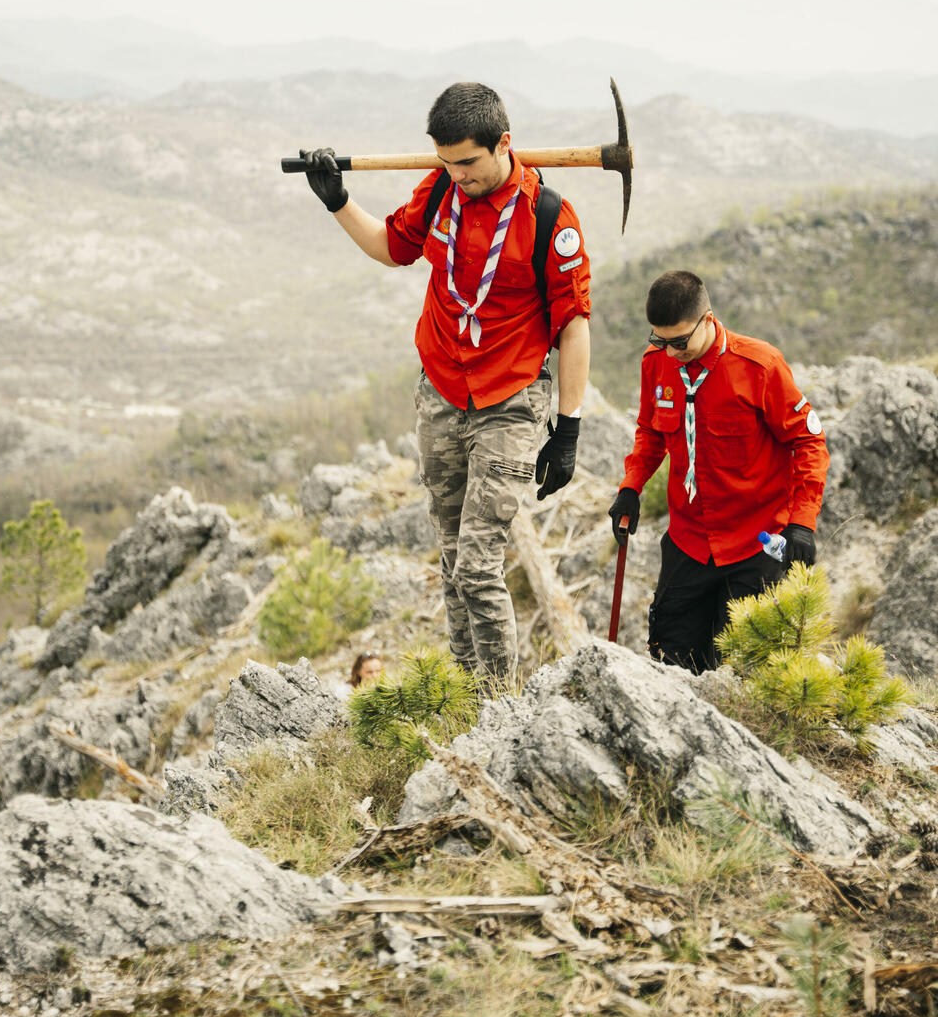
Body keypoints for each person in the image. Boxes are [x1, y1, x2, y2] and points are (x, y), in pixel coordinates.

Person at [300, 81, 591, 686]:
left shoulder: (549, 218)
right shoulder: (439, 190)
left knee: (480, 564)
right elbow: (391, 247)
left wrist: (568, 429)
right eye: (447, 161)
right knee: (453, 555)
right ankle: (463, 689)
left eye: (468, 162)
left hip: (510, 401)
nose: (457, 174)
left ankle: (498, 703)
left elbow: (573, 327)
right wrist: (337, 202)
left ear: (504, 143)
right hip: (440, 392)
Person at [608, 269, 829, 674]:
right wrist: (631, 488)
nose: (671, 352)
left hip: (758, 543)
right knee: (670, 661)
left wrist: (802, 523)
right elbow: (650, 433)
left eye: (679, 341)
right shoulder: (657, 363)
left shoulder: (760, 366)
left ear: (707, 320)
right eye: (659, 339)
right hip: (688, 540)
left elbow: (809, 443)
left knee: (747, 671)